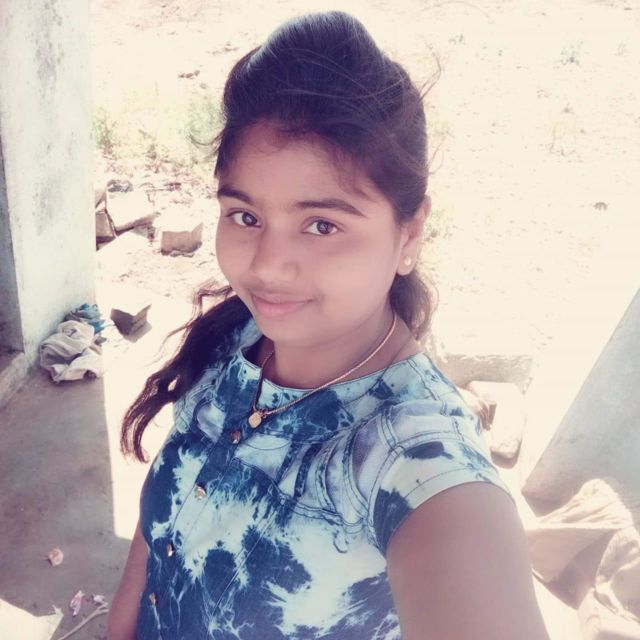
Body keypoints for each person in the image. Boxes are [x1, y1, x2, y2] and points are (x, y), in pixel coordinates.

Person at [107, 11, 550, 640]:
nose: (266, 266)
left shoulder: (411, 461)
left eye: (321, 225)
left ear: (409, 234)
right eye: (245, 216)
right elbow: (160, 536)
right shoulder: (238, 337)